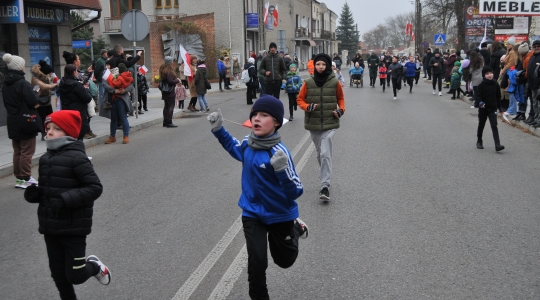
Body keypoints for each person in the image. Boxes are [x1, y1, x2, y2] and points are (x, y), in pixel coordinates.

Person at [207, 96, 308, 300]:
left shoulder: (280, 153)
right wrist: (219, 130)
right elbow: (236, 150)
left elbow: (296, 190)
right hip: (252, 213)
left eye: (264, 115)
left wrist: (281, 171)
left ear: (277, 122)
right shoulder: (248, 142)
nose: (257, 119)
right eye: (254, 115)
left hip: (280, 214)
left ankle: (296, 228)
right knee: (257, 261)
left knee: (284, 260)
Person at [23, 110, 110, 300]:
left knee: (76, 275)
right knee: (59, 276)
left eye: (56, 129)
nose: (50, 133)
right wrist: (34, 194)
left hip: (73, 227)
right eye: (48, 128)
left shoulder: (77, 158)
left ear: (70, 132)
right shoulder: (46, 158)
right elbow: (49, 190)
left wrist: (65, 200)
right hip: (50, 227)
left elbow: (94, 188)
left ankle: (95, 266)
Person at [296, 53, 345, 200]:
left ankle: (325, 186)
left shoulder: (335, 82)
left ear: (328, 66)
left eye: (324, 64)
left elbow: (341, 98)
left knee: (325, 154)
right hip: (314, 124)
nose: (321, 67)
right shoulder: (308, 83)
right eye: (318, 64)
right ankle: (324, 174)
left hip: (330, 123)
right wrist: (308, 107)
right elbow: (300, 99)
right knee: (320, 154)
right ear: (314, 66)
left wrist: (340, 110)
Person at [2, 53, 41, 189]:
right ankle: (26, 177)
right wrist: (36, 93)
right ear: (19, 67)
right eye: (23, 65)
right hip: (25, 120)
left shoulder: (5, 84)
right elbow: (33, 101)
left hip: (12, 119)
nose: (24, 67)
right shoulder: (22, 83)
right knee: (27, 150)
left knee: (17, 150)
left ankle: (19, 178)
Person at [57, 64, 93, 140]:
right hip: (78, 115)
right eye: (76, 71)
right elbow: (87, 98)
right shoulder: (76, 85)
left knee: (70, 137)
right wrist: (86, 89)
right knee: (79, 138)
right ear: (74, 72)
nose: (77, 72)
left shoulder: (62, 83)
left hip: (66, 113)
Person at [474, 66, 505, 151]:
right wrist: (480, 102)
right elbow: (477, 96)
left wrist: (500, 108)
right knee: (481, 125)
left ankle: (497, 145)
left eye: (491, 73)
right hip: (483, 109)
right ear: (484, 75)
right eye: (487, 74)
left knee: (494, 125)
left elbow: (498, 97)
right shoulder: (481, 85)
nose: (489, 75)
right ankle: (479, 141)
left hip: (493, 108)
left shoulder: (495, 84)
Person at [31, 60, 57, 141]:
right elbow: (44, 86)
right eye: (49, 72)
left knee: (50, 117)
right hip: (40, 102)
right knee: (42, 118)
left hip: (47, 100)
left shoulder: (46, 78)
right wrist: (55, 84)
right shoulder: (35, 79)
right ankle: (43, 134)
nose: (50, 74)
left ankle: (51, 131)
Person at [160, 56, 180, 127]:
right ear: (170, 62)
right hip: (170, 91)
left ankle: (165, 121)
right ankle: (169, 122)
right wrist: (177, 80)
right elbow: (170, 81)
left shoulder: (162, 69)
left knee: (166, 106)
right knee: (171, 106)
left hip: (164, 90)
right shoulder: (169, 71)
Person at [526, 40, 540, 127]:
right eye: (535, 47)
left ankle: (539, 120)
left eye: (538, 46)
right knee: (534, 103)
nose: (536, 48)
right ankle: (536, 118)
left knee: (539, 104)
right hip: (532, 84)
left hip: (538, 84)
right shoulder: (532, 57)